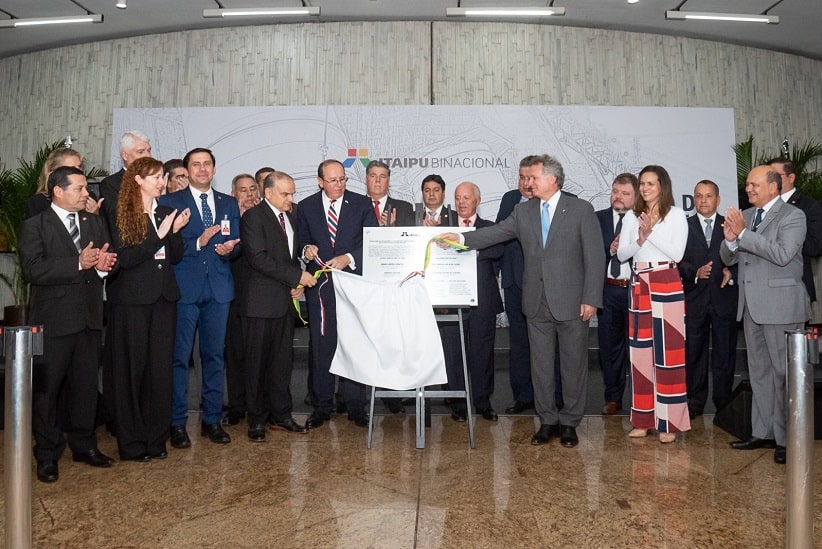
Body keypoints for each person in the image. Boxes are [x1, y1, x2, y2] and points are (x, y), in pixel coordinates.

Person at [439, 154, 604, 448]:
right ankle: (547, 420)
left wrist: (591, 298)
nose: (528, 182)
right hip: (535, 301)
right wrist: (462, 239)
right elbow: (496, 232)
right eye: (526, 178)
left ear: (552, 179)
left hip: (572, 301)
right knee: (540, 366)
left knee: (572, 364)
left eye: (534, 178)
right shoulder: (524, 211)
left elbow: (595, 257)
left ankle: (569, 422)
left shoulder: (580, 208)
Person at [20, 166, 118, 482]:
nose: (86, 194)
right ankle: (47, 454)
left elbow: (105, 260)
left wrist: (104, 267)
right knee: (46, 394)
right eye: (79, 188)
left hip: (89, 319)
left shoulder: (92, 221)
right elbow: (33, 270)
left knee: (86, 389)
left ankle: (84, 446)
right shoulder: (35, 226)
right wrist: (78, 263)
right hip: (53, 322)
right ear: (58, 191)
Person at [720, 165, 809, 464]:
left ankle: (787, 439)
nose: (749, 189)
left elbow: (783, 255)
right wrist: (732, 239)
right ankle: (762, 432)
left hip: (781, 306)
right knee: (758, 373)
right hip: (751, 306)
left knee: (784, 375)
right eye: (747, 185)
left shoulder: (793, 216)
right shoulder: (744, 216)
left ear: (774, 187)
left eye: (755, 185)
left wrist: (744, 234)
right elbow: (728, 255)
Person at [105, 157, 190, 461]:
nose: (162, 182)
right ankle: (130, 444)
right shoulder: (120, 213)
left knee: (160, 371)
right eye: (156, 177)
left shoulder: (166, 211)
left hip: (164, 300)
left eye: (163, 177)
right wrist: (161, 232)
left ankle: (156, 440)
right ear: (138, 180)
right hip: (131, 303)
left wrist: (176, 230)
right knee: (131, 372)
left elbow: (175, 257)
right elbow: (126, 259)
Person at [159, 147, 241, 448]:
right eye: (196, 165)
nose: (202, 169)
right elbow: (165, 245)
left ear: (215, 170)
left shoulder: (228, 203)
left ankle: (212, 420)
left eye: (207, 164)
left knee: (214, 357)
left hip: (219, 290)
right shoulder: (169, 202)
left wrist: (231, 249)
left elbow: (238, 243)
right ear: (187, 170)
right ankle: (177, 423)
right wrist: (198, 241)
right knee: (179, 359)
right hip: (184, 290)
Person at [297, 159, 378, 429]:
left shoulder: (361, 204)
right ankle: (322, 406)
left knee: (355, 345)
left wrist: (348, 257)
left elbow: (372, 241)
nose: (339, 185)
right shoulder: (306, 207)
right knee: (322, 347)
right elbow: (301, 241)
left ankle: (356, 406)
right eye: (333, 181)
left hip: (354, 286)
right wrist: (307, 249)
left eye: (342, 179)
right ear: (320, 181)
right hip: (321, 289)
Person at [240, 171, 318, 441]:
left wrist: (297, 274)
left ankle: (281, 415)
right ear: (268, 192)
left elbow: (289, 256)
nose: (290, 198)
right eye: (285, 194)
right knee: (257, 364)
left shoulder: (292, 216)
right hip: (260, 304)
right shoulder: (253, 217)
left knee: (281, 363)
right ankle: (257, 420)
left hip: (285, 301)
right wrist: (296, 277)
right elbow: (258, 258)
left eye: (292, 193)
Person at [617, 165, 689, 443]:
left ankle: (669, 423)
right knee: (640, 356)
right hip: (640, 284)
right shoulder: (631, 217)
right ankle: (643, 420)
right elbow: (624, 254)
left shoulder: (676, 215)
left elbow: (678, 254)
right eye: (642, 183)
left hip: (667, 281)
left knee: (669, 356)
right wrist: (640, 238)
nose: (645, 188)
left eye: (651, 183)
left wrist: (652, 232)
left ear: (663, 186)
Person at [678, 180, 738, 417]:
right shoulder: (683, 226)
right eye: (699, 196)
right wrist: (694, 272)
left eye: (709, 196)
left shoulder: (732, 225)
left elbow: (745, 257)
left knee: (725, 353)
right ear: (693, 199)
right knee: (694, 354)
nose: (703, 200)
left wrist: (731, 272)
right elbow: (675, 260)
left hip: (724, 299)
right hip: (695, 300)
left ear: (718, 199)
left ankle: (724, 403)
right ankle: (694, 403)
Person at [447, 181, 503, 421]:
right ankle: (457, 404)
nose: (461, 202)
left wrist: (471, 248)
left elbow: (498, 251)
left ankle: (482, 402)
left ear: (477, 200)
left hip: (483, 302)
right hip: (451, 300)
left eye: (466, 198)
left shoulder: (490, 228)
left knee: (482, 354)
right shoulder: (443, 229)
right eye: (458, 198)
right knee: (453, 354)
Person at [596, 173, 637, 415]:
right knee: (609, 347)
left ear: (636, 196)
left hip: (636, 290)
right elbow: (587, 253)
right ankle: (613, 397)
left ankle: (641, 398)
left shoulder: (643, 220)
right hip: (608, 291)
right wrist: (608, 249)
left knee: (639, 348)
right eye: (615, 191)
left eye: (624, 193)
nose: (618, 197)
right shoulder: (596, 219)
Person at [222, 173, 260, 426]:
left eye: (252, 189)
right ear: (233, 193)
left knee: (257, 352)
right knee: (234, 351)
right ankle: (237, 404)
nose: (248, 194)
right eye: (242, 190)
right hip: (232, 291)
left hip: (259, 292)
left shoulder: (265, 217)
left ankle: (259, 404)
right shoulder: (227, 218)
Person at [496, 170, 535, 414]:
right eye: (521, 177)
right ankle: (522, 396)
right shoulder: (510, 199)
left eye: (529, 178)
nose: (525, 182)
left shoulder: (557, 203)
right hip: (513, 283)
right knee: (519, 343)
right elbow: (500, 234)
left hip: (543, 286)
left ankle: (553, 397)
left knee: (547, 344)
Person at [766, 157, 822, 303]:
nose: (771, 181)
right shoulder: (759, 208)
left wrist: (787, 239)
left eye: (776, 176)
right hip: (763, 289)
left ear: (791, 177)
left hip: (794, 288)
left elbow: (815, 247)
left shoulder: (809, 206)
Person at [26, 147, 103, 218]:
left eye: (79, 166)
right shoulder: (39, 202)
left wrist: (95, 215)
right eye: (71, 168)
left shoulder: (89, 199)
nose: (78, 171)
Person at [100, 130, 152, 231]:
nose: (147, 156)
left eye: (149, 150)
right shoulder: (111, 184)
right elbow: (117, 217)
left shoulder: (155, 180)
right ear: (125, 156)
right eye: (141, 152)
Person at [365, 160, 415, 227]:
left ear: (388, 181)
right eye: (373, 176)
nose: (377, 180)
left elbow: (410, 236)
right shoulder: (354, 207)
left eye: (382, 176)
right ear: (366, 180)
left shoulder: (404, 208)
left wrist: (392, 228)